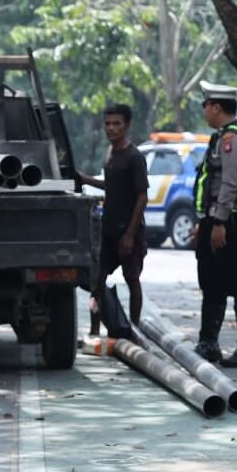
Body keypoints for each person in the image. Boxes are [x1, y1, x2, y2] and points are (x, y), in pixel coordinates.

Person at [192, 81, 237, 368]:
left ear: (216, 107)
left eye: (205, 105)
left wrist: (219, 221)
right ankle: (209, 343)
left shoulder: (233, 139)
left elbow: (230, 183)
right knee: (211, 283)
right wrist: (204, 221)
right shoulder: (221, 137)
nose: (204, 110)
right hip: (213, 220)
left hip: (228, 222)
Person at [76, 104, 147, 338]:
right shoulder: (109, 153)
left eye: (116, 124)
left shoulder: (134, 157)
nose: (111, 128)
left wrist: (129, 234)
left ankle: (134, 329)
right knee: (97, 281)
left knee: (132, 279)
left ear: (126, 125)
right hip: (107, 228)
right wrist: (85, 179)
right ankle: (95, 329)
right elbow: (112, 186)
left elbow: (142, 196)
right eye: (107, 124)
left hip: (128, 229)